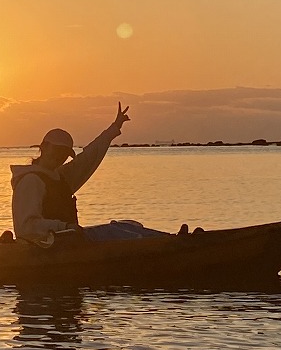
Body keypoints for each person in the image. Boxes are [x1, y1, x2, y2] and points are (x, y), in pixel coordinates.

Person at [10, 102, 169, 244]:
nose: (60, 156)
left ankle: (174, 239)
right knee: (114, 232)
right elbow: (26, 227)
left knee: (126, 226)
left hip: (67, 240)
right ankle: (173, 243)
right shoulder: (30, 180)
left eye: (64, 153)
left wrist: (114, 128)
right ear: (43, 147)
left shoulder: (59, 177)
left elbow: (88, 158)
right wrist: (64, 227)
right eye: (57, 150)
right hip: (46, 246)